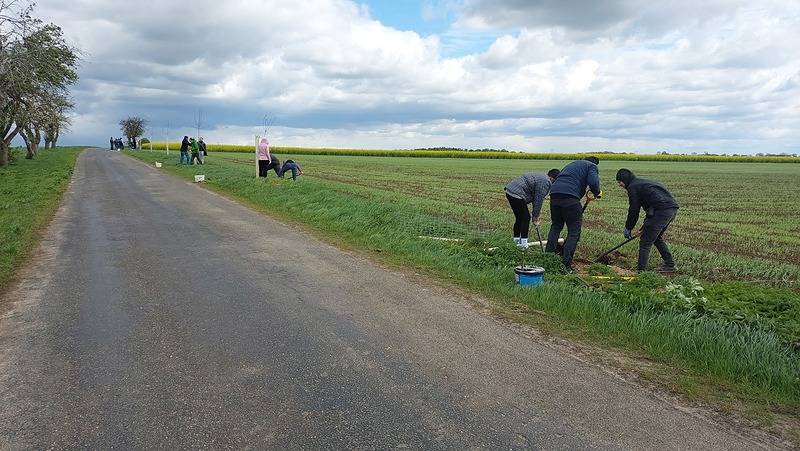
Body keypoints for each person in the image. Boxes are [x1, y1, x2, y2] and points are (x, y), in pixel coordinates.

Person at [615, 169, 679, 272]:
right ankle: (670, 264)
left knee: (645, 242)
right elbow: (651, 209)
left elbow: (634, 210)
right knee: (656, 238)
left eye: (619, 182)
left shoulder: (633, 187)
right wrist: (644, 227)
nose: (619, 185)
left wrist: (628, 227)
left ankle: (641, 272)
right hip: (671, 209)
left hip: (662, 211)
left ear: (625, 180)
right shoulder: (641, 183)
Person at [545, 156, 601, 272]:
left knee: (556, 226)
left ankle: (547, 259)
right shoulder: (591, 166)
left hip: (554, 195)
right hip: (570, 198)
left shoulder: (572, 164)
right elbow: (593, 182)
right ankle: (566, 265)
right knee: (574, 231)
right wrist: (597, 192)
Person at [504, 169, 560, 249]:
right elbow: (538, 200)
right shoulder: (545, 182)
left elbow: (535, 199)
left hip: (510, 191)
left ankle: (516, 242)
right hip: (517, 193)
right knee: (526, 218)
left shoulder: (543, 177)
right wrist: (535, 217)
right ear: (552, 178)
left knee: (520, 218)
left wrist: (535, 215)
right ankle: (523, 245)